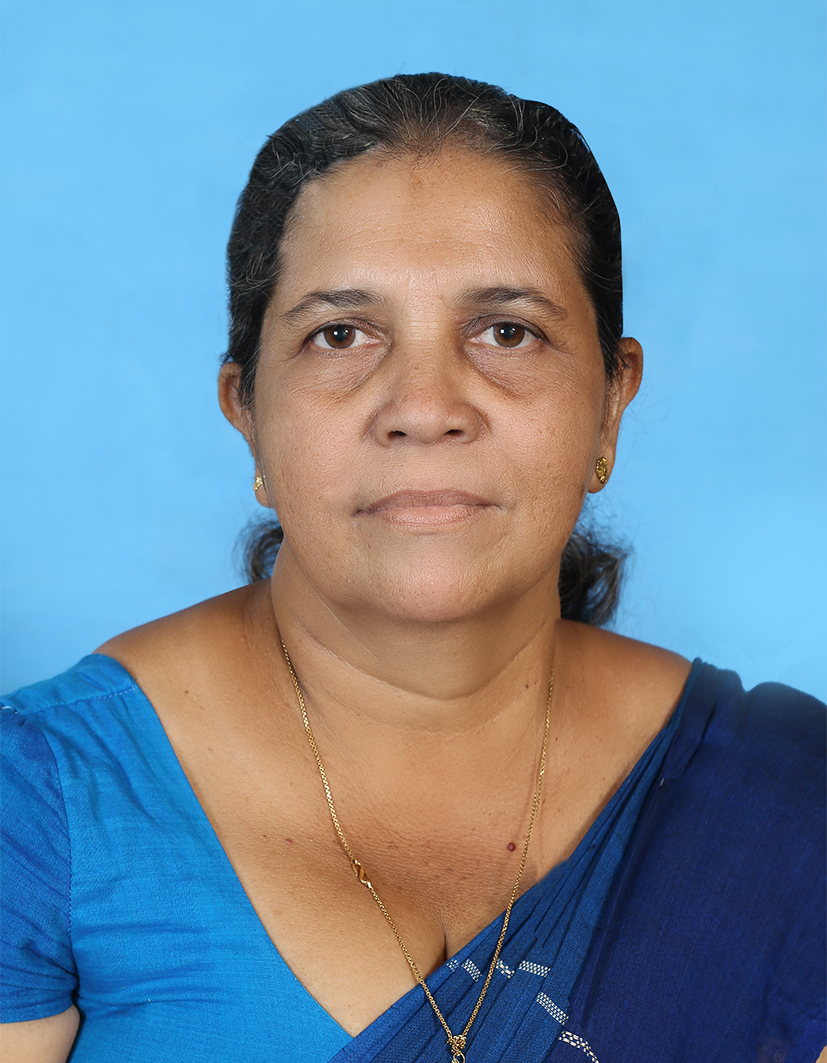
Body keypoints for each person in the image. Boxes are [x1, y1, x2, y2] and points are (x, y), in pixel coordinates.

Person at [1, 73, 824, 1063]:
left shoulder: (784, 801)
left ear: (610, 404)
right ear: (247, 410)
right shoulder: (43, 798)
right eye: (340, 334)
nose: (424, 406)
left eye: (506, 331)